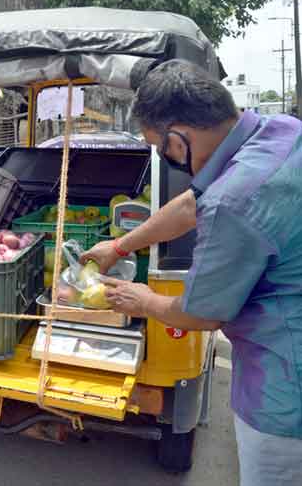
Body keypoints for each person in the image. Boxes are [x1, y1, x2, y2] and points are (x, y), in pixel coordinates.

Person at [82, 59, 302, 486]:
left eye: (160, 148)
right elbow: (190, 205)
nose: (167, 159)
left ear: (179, 137)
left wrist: (140, 299)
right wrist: (120, 245)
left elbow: (201, 314)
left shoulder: (233, 203)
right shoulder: (281, 133)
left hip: (285, 389)